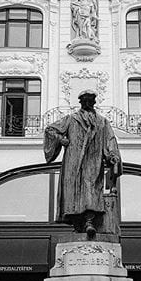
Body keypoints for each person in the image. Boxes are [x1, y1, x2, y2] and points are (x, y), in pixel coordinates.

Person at [44, 90, 122, 237]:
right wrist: (61, 140)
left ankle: (89, 222)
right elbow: (50, 130)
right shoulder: (71, 119)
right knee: (73, 193)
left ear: (94, 102)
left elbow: (110, 140)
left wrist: (112, 155)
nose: (88, 103)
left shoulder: (102, 122)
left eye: (90, 101)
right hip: (73, 162)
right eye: (85, 101)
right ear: (80, 102)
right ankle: (78, 225)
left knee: (91, 190)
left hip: (93, 160)